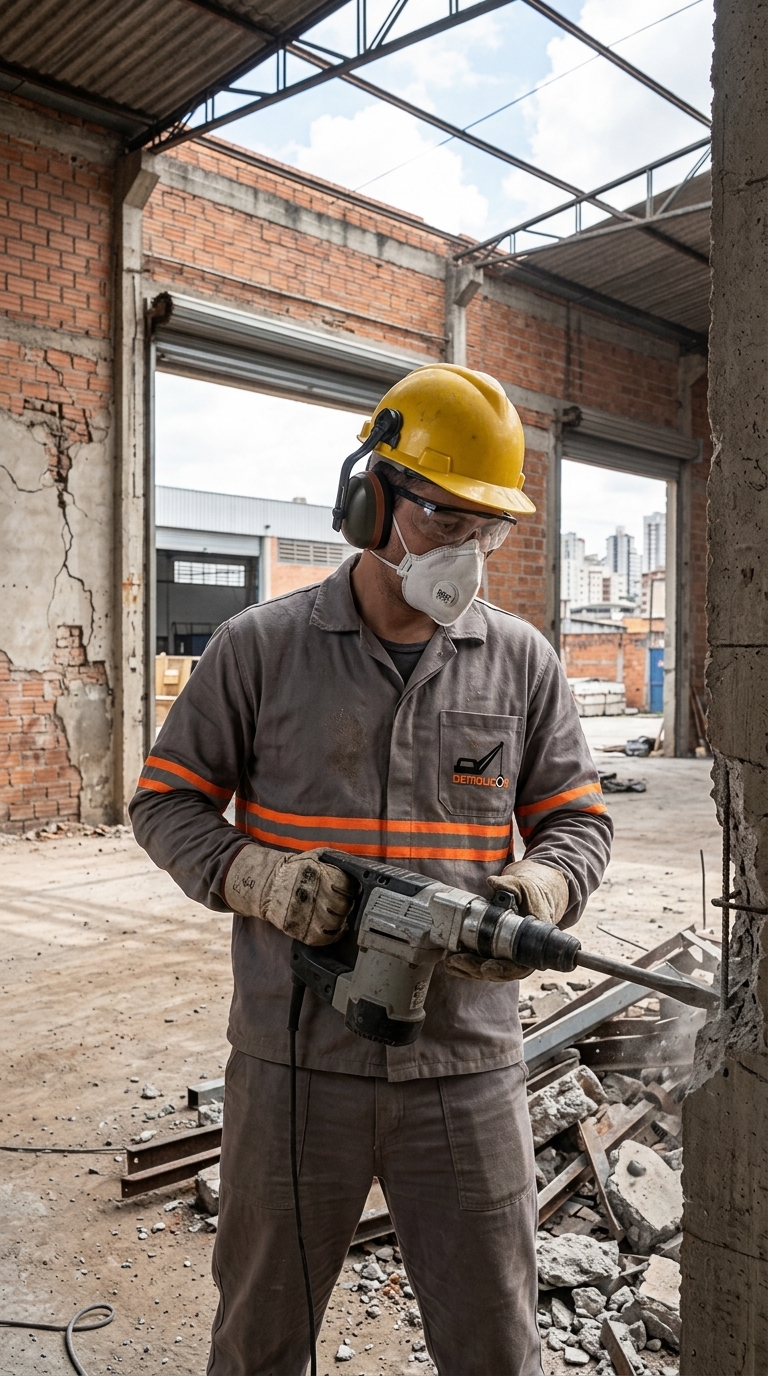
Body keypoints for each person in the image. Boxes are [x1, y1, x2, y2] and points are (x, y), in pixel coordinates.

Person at [130, 363, 612, 1376]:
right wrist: (255, 876)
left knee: (495, 1342)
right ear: (372, 500)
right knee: (260, 1338)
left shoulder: (522, 663)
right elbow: (164, 800)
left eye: (488, 529)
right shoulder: (258, 649)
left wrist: (536, 892)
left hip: (465, 1065)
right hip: (297, 1059)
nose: (466, 553)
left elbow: (577, 821)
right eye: (443, 517)